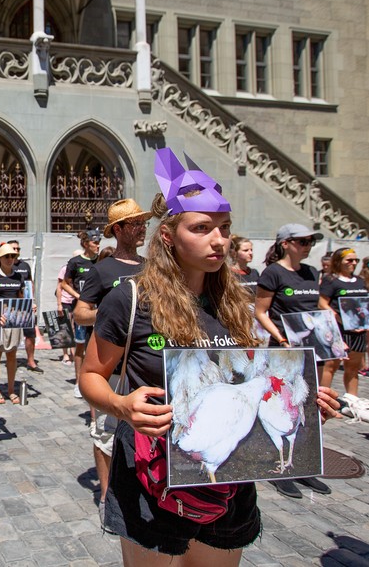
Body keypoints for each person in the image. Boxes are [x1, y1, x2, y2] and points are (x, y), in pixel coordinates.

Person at [80, 149, 341, 565]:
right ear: (168, 235)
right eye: (202, 228)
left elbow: (251, 383)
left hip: (229, 477)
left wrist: (304, 405)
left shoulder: (236, 300)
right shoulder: (130, 298)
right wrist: (121, 405)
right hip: (153, 473)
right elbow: (92, 374)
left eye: (224, 228)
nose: (218, 240)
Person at [73, 199, 151, 511]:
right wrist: (113, 314)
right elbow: (80, 314)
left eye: (143, 222)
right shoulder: (101, 271)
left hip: (145, 364)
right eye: (134, 223)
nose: (141, 227)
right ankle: (107, 493)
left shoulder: (152, 268)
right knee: (106, 434)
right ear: (117, 230)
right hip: (112, 367)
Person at [255, 223, 331, 499]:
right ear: (285, 243)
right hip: (283, 352)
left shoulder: (312, 272)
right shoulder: (273, 273)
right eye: (302, 241)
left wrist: (333, 328)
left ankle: (304, 466)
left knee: (309, 407)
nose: (307, 245)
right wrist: (281, 338)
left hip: (312, 351)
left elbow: (317, 308)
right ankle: (280, 469)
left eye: (310, 241)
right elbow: (261, 312)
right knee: (281, 408)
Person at [319, 247, 369, 421]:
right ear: (338, 261)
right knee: (331, 366)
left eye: (355, 260)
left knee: (353, 368)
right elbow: (322, 303)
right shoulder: (331, 280)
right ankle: (324, 402)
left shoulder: (360, 281)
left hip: (359, 331)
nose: (353, 263)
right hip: (338, 330)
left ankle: (352, 402)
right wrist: (340, 319)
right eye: (349, 260)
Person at [62, 228, 102, 397]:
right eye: (95, 242)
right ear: (86, 244)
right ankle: (78, 382)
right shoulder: (75, 262)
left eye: (99, 242)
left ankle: (96, 380)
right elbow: (65, 284)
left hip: (98, 310)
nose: (98, 245)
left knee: (98, 345)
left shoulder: (101, 261)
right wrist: (80, 297)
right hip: (81, 309)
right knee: (80, 346)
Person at [0, 242, 25, 405]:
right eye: (6, 256)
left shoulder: (19, 277)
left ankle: (10, 389)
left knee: (12, 354)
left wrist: (30, 306)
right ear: (0, 258)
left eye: (13, 256)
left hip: (14, 318)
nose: (10, 259)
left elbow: (22, 297)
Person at [8, 240, 41, 372]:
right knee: (10, 335)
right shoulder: (6, 265)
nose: (16, 251)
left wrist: (32, 300)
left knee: (30, 333)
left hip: (26, 305)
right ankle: (10, 360)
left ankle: (31, 361)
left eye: (18, 248)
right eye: (13, 249)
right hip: (12, 307)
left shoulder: (25, 266)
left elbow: (30, 283)